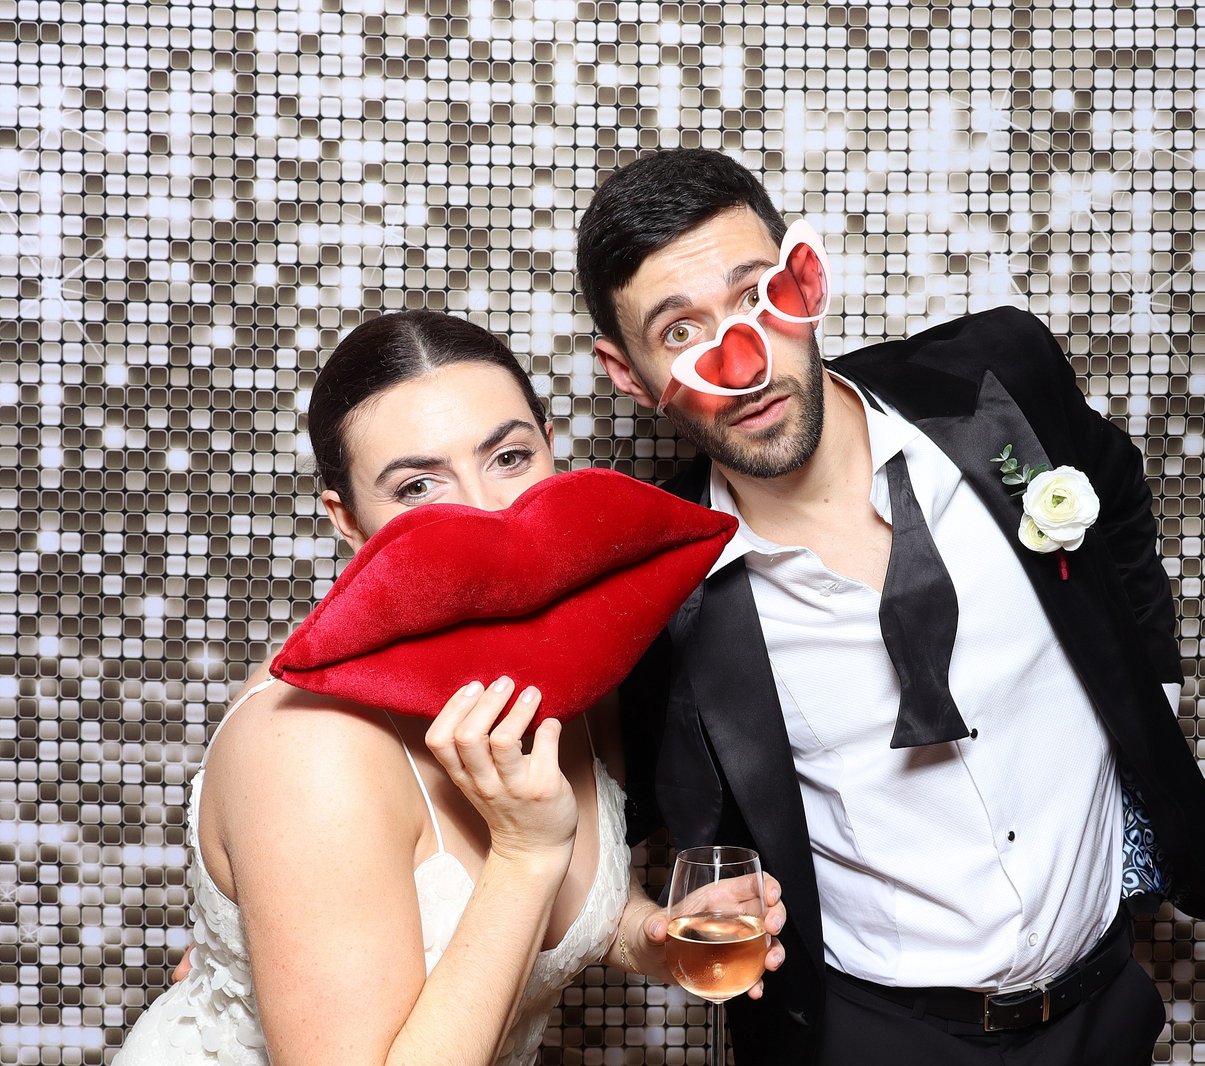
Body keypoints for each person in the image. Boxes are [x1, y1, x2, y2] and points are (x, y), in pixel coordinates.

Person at [577, 148, 1205, 1065]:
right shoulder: (657, 591)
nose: (742, 362)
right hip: (870, 1037)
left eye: (753, 296)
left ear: (802, 276)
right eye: (680, 331)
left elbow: (1117, 492)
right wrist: (649, 925)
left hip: (1104, 1008)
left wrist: (1144, 696)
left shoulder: (996, 381)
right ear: (627, 374)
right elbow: (606, 809)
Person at [115, 311, 785, 1065]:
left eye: (508, 457)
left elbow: (565, 923)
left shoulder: (572, 673)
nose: (485, 511)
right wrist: (526, 853)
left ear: (552, 452)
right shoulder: (310, 745)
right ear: (348, 520)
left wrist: (651, 938)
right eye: (418, 484)